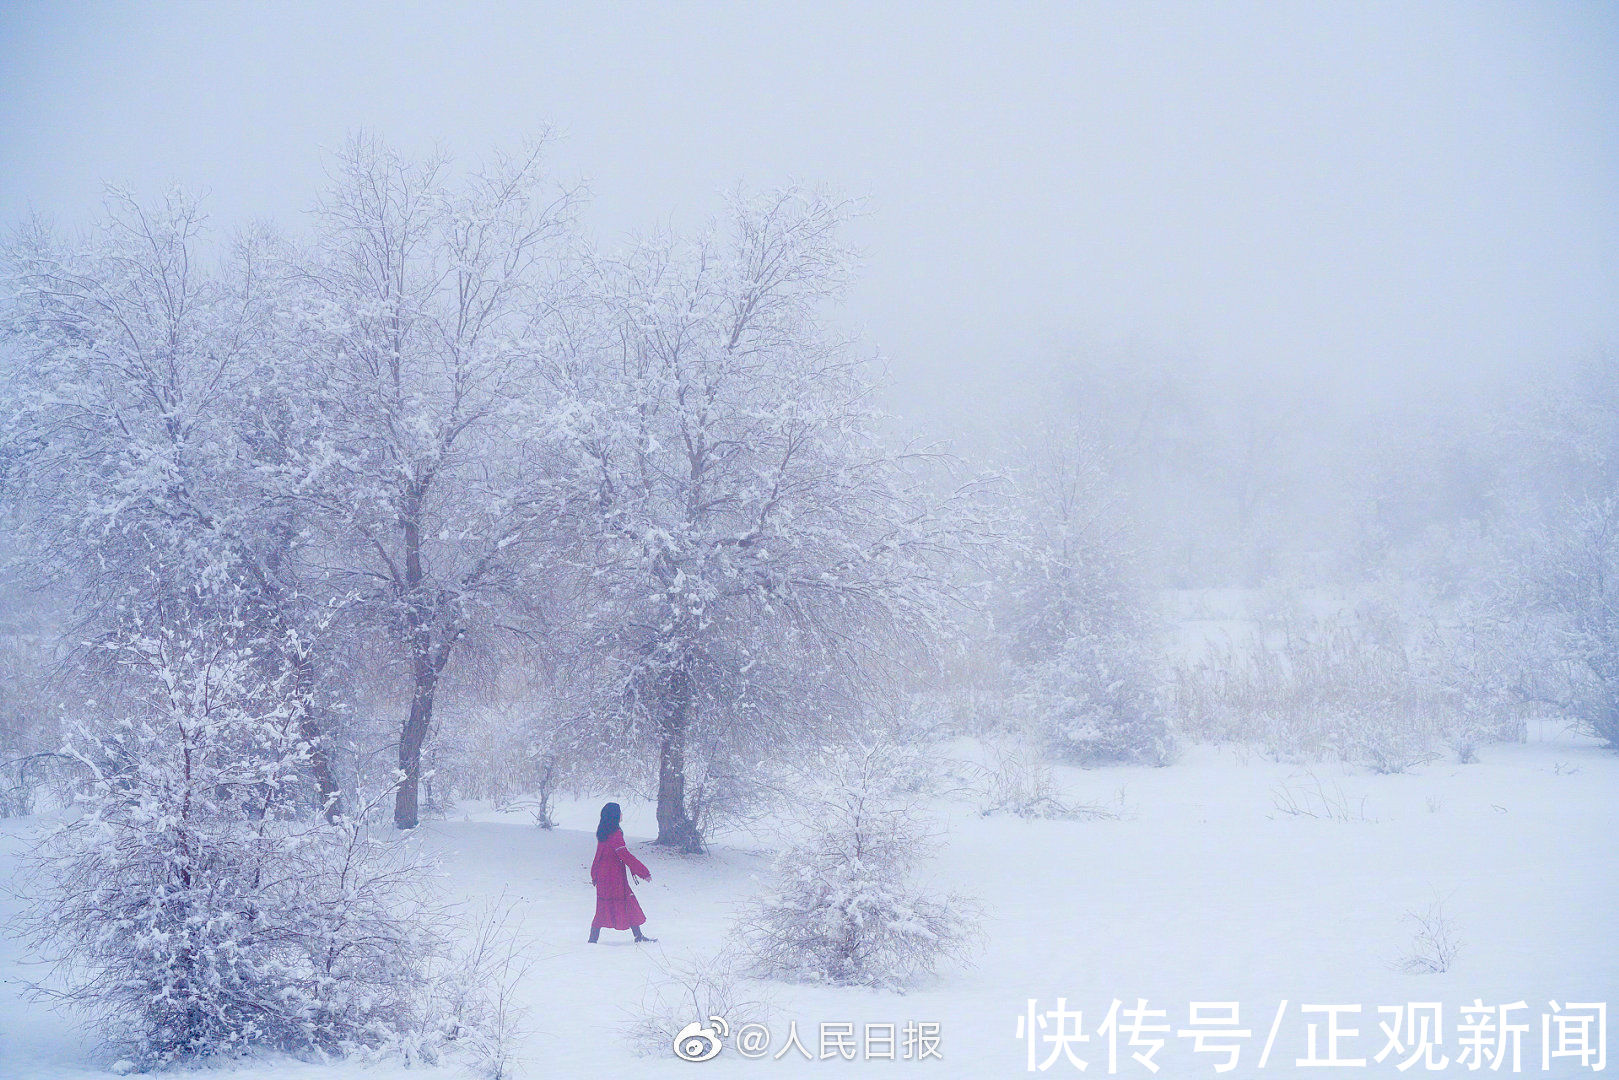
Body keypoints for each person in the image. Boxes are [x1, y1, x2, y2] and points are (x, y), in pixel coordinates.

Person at [589, 802, 655, 943]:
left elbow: (598, 855)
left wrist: (594, 874)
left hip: (603, 876)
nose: (622, 815)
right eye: (620, 812)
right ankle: (638, 936)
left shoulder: (603, 832)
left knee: (603, 906)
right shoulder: (615, 834)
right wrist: (644, 872)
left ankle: (593, 940)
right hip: (614, 878)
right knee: (628, 902)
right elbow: (624, 855)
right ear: (615, 815)